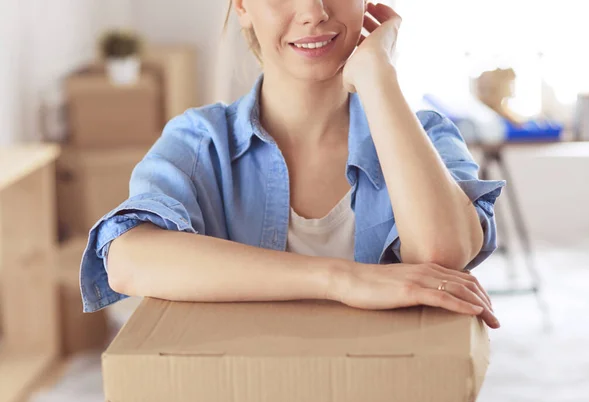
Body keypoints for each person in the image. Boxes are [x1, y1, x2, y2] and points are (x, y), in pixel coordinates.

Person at [80, 0, 505, 329]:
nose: (314, 12)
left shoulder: (426, 136)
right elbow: (128, 259)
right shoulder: (200, 143)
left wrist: (378, 76)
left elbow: (442, 255)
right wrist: (342, 280)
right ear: (243, 6)